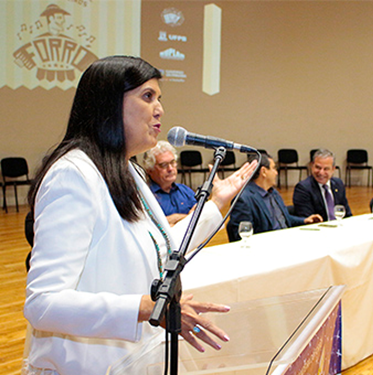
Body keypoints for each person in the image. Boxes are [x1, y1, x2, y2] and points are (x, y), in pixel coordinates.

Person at [23, 56, 257, 375]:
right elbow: (44, 304)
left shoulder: (128, 170)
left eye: (159, 98)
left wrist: (216, 204)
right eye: (147, 97)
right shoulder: (73, 175)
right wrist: (147, 308)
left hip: (133, 361)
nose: (159, 109)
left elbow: (163, 249)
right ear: (108, 105)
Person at [227, 153, 323, 242]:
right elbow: (242, 236)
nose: (276, 173)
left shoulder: (273, 193)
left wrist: (305, 220)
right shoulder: (244, 199)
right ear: (264, 172)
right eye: (273, 168)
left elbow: (284, 219)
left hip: (287, 240)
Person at [143, 140, 196, 226]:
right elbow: (150, 226)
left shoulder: (185, 190)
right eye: (164, 165)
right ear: (150, 170)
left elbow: (201, 216)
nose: (170, 168)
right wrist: (187, 217)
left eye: (172, 162)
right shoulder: (145, 196)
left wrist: (174, 219)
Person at [292, 148, 352, 221]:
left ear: (333, 169)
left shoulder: (338, 184)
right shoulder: (303, 188)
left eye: (326, 169)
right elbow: (308, 220)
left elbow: (347, 214)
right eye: (318, 167)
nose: (321, 173)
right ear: (311, 166)